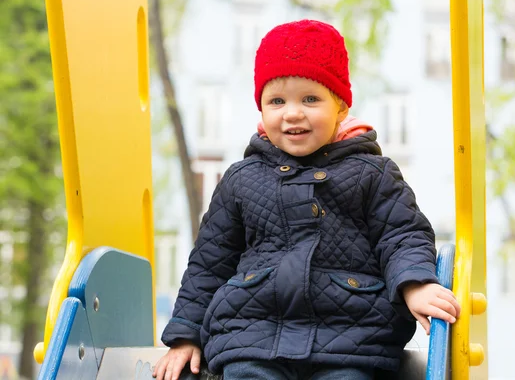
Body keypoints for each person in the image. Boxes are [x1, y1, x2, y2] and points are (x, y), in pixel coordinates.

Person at [153, 19, 460, 380]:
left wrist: (415, 283)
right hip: (252, 336)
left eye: (310, 99)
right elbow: (210, 263)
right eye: (277, 101)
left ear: (342, 108)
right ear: (262, 111)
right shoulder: (241, 179)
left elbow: (401, 235)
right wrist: (186, 334)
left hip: (349, 339)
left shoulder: (371, 174)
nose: (293, 112)